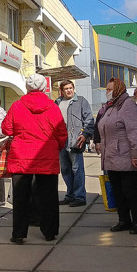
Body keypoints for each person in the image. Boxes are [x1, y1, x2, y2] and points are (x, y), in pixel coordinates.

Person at [2, 74, 67, 244]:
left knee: (20, 197)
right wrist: (55, 147)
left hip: (21, 156)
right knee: (49, 196)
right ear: (43, 88)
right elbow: (61, 133)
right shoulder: (53, 107)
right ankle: (49, 231)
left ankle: (18, 233)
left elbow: (6, 128)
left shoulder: (17, 106)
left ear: (27, 87)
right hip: (46, 155)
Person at [97, 78, 137, 234]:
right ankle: (124, 220)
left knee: (130, 191)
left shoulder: (127, 105)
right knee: (118, 192)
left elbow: (136, 131)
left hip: (126, 157)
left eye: (109, 89)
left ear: (117, 89)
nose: (107, 92)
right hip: (111, 157)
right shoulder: (110, 107)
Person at [55, 80, 94, 208]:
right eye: (66, 88)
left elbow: (89, 120)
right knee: (65, 169)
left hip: (76, 140)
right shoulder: (57, 103)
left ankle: (80, 196)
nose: (69, 90)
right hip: (61, 141)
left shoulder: (81, 101)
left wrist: (85, 135)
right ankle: (70, 195)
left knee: (77, 169)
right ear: (62, 90)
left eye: (71, 88)